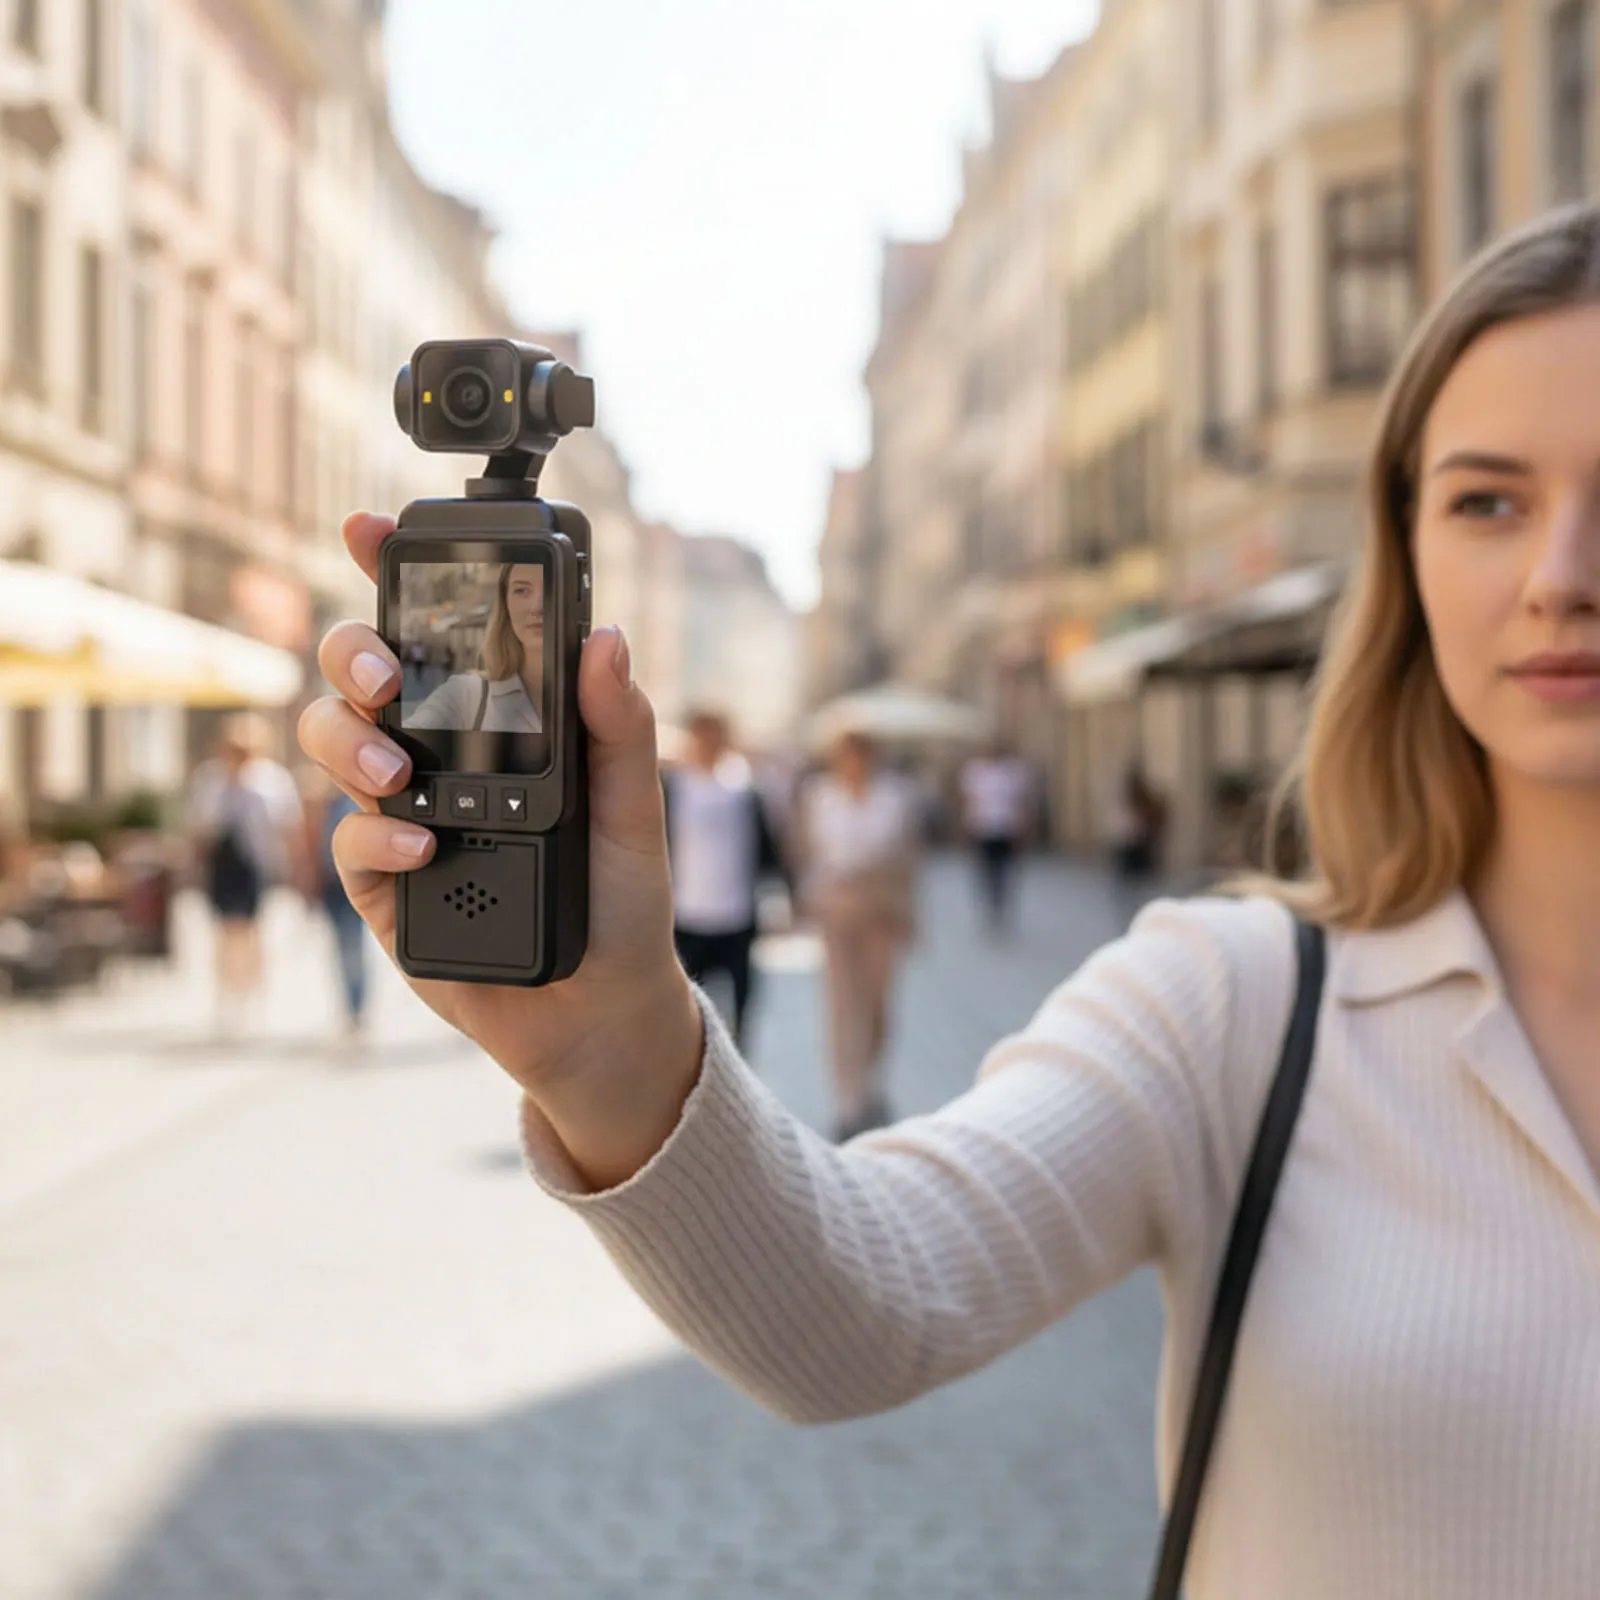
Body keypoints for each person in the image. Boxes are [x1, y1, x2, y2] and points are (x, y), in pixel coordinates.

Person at [302, 202, 1600, 1597]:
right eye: (1487, 501)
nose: (1560, 579)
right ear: (1406, 551)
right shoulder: (1243, 1006)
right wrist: (609, 1045)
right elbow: (862, 1312)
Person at [790, 730, 922, 1141]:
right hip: (836, 906)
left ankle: (871, 1080)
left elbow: (909, 859)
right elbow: (803, 853)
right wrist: (802, 901)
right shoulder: (820, 798)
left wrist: (910, 914)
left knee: (878, 1002)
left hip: (881, 907)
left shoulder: (894, 799)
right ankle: (849, 1099)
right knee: (842, 1004)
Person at [662, 709, 791, 1048]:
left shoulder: (744, 789)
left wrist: (782, 896)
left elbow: (768, 849)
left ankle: (736, 1065)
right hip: (687, 915)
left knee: (741, 1005)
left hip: (736, 913)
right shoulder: (673, 787)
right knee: (687, 1006)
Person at [187, 712, 303, 1035]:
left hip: (256, 866)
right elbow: (199, 827)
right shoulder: (210, 780)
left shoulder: (271, 781)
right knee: (225, 933)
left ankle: (253, 994)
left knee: (252, 932)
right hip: (221, 866)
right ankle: (227, 996)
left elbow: (287, 827)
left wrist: (297, 869)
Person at [406, 563, 544, 732]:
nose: (537, 607)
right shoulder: (466, 695)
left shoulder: (584, 695)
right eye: (522, 591)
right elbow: (403, 741)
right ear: (505, 606)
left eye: (551, 590)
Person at [301, 767, 369, 1038]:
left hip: (352, 882)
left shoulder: (355, 802)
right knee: (340, 948)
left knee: (353, 947)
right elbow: (313, 846)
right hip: (330, 884)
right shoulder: (322, 804)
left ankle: (357, 1006)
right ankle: (349, 1006)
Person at [958, 742, 1035, 933]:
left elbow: (1021, 802)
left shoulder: (1013, 772)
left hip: (1006, 829)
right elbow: (969, 801)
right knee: (986, 869)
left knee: (1005, 870)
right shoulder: (976, 772)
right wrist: (967, 826)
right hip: (983, 828)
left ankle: (1001, 902)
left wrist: (1023, 828)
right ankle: (991, 902)